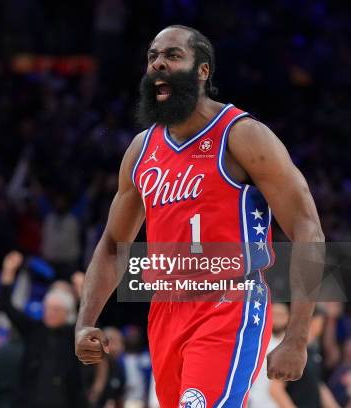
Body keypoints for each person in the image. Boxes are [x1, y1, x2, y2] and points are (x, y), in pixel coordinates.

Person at [75, 25, 324, 407]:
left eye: (173, 56)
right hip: (165, 308)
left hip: (229, 302)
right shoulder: (142, 150)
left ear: (203, 71)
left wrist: (297, 336)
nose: (158, 63)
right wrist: (85, 321)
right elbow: (112, 245)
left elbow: (308, 227)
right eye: (152, 56)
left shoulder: (241, 134)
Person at [0, 251, 90, 408]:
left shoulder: (72, 334)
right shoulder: (34, 329)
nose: (50, 314)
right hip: (28, 401)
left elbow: (89, 322)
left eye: (56, 310)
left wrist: (83, 291)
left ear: (66, 313)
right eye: (47, 309)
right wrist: (8, 272)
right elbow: (7, 307)